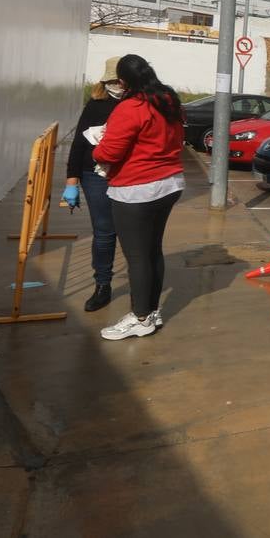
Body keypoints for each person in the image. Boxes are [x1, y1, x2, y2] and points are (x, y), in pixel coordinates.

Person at [92, 54, 185, 341]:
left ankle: (140, 317)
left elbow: (108, 153)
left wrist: (98, 146)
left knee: (137, 257)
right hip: (169, 184)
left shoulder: (130, 108)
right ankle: (151, 311)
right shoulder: (168, 100)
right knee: (152, 251)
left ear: (122, 82)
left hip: (136, 190)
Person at [62, 57, 123, 312]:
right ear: (105, 81)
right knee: (104, 231)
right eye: (112, 81)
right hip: (94, 175)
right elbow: (78, 143)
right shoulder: (97, 104)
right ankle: (102, 284)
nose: (117, 85)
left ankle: (143, 286)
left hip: (127, 173)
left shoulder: (138, 104)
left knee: (131, 232)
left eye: (120, 81)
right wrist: (71, 181)